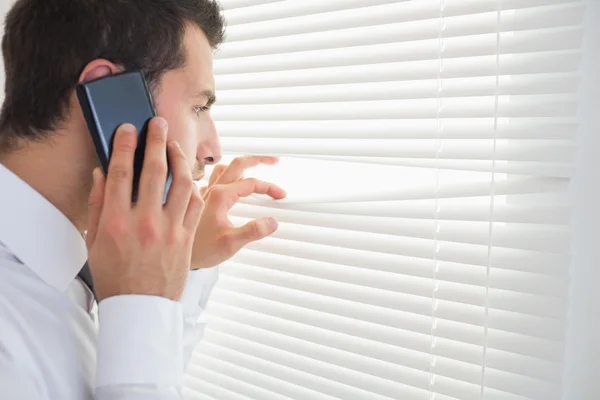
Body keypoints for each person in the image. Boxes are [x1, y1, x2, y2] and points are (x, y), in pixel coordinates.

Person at [0, 0, 286, 399]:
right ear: (106, 92)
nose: (213, 150)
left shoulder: (63, 270)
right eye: (198, 107)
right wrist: (141, 295)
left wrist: (175, 270)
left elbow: (145, 375)